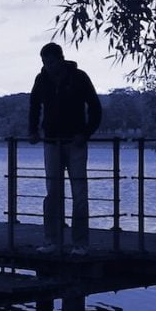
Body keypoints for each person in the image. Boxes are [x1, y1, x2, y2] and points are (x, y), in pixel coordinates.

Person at [28, 42, 102, 256]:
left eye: (51, 61)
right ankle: (51, 240)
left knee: (79, 193)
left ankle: (80, 243)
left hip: (75, 142)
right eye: (44, 62)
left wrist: (85, 133)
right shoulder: (41, 79)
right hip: (51, 142)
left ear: (61, 58)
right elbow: (34, 105)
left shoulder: (79, 77)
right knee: (53, 193)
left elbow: (95, 108)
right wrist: (33, 130)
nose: (48, 66)